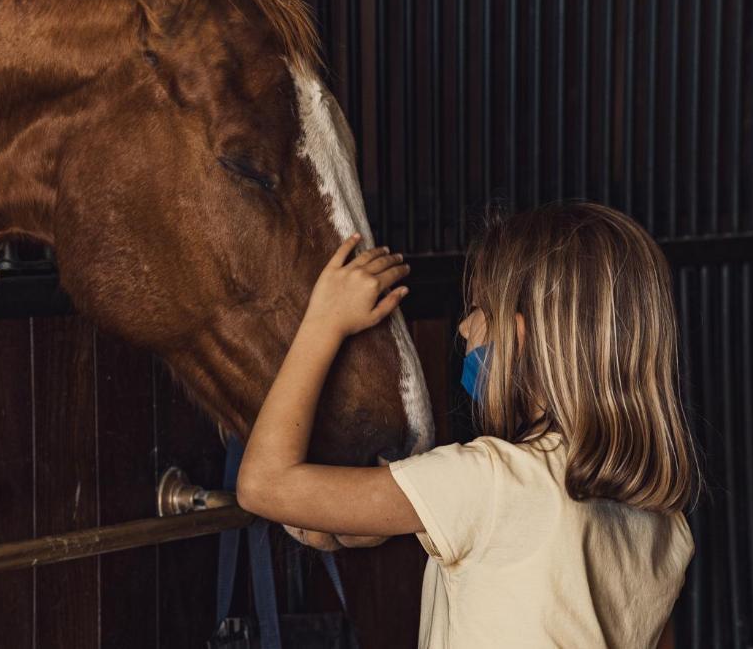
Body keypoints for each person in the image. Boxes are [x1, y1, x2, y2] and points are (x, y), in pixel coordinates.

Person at [237, 201, 697, 648]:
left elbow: (263, 485)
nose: (462, 329)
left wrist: (323, 324)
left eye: (477, 309)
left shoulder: (489, 479)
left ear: (518, 338)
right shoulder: (664, 522)